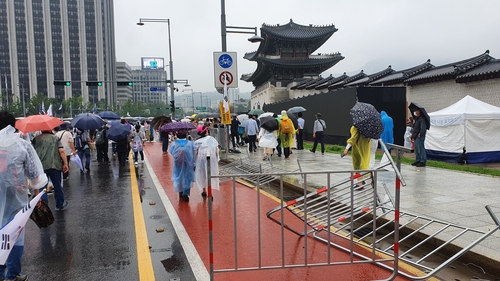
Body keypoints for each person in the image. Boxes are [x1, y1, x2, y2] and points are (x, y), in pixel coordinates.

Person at [0, 111, 48, 281]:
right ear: (13, 125)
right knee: (14, 233)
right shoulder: (22, 145)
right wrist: (37, 195)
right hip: (17, 197)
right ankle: (12, 275)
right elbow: (35, 175)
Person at [33, 129, 69, 211]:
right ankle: (59, 204)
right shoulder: (55, 138)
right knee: (57, 185)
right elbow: (61, 151)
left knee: (42, 187)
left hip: (41, 166)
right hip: (55, 165)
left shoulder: (36, 139)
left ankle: (43, 205)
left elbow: (33, 152)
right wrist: (65, 163)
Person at [168, 129, 194, 202]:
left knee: (178, 176)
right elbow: (193, 152)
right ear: (186, 135)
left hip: (178, 163)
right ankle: (186, 193)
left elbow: (171, 152)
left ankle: (180, 192)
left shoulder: (174, 143)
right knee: (187, 177)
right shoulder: (190, 143)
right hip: (188, 163)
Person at [194, 125, 219, 198]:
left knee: (202, 175)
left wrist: (194, 163)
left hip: (200, 160)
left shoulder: (196, 142)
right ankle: (210, 192)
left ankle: (204, 190)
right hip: (211, 159)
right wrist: (217, 160)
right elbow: (216, 150)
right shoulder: (212, 139)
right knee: (210, 175)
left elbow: (195, 153)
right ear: (206, 131)